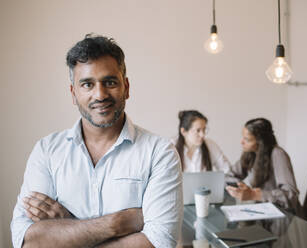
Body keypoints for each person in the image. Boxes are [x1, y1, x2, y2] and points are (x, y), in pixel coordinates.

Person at [11, 34, 183, 248]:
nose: (100, 94)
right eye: (87, 84)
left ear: (126, 87)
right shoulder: (46, 151)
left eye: (109, 82)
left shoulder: (160, 152)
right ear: (73, 93)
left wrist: (66, 229)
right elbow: (27, 241)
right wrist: (116, 223)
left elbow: (160, 242)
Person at [226, 118, 302, 215]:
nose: (242, 142)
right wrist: (239, 187)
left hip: (283, 217)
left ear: (260, 142)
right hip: (263, 212)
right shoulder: (251, 153)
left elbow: (291, 195)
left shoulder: (278, 154)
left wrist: (254, 195)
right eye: (243, 137)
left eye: (247, 139)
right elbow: (230, 176)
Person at [173, 110, 233, 179]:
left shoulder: (210, 145)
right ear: (183, 131)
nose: (202, 135)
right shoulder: (172, 148)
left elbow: (227, 171)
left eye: (204, 130)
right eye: (198, 130)